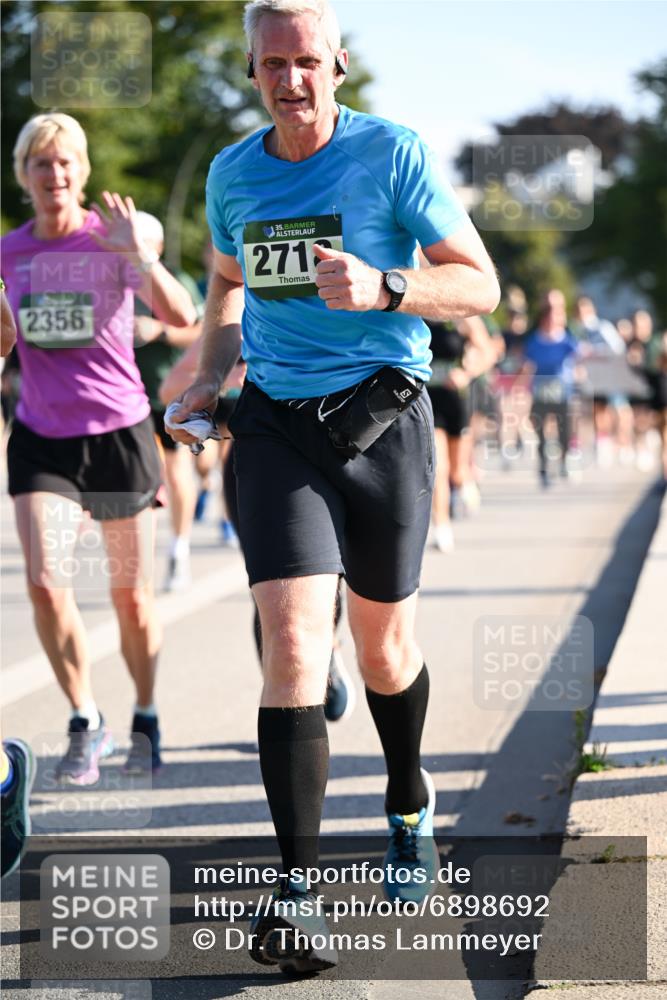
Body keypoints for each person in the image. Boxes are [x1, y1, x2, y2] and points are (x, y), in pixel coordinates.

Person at [168, 0, 499, 975]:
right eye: (272, 63)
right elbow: (227, 289)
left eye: (306, 59)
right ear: (254, 71)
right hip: (273, 424)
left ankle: (407, 798)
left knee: (385, 648)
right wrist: (202, 376)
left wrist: (388, 286)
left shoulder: (391, 154)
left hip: (382, 422)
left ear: (337, 65)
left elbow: (475, 283)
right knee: (293, 646)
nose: (290, 79)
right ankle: (297, 891)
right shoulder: (234, 174)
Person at [1, 113, 197, 784]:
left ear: (82, 173)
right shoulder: (9, 253)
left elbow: (181, 317)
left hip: (117, 434)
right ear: (23, 176)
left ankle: (144, 711)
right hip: (42, 440)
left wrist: (138, 258)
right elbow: (5, 335)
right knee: (47, 584)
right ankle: (85, 718)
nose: (53, 176)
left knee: (130, 599)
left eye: (64, 164)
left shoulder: (114, 238)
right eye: (40, 164)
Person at [132, 212, 205, 591]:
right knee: (138, 478)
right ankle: (134, 564)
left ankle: (179, 550)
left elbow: (201, 328)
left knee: (177, 472)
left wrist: (159, 330)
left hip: (169, 390)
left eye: (142, 242)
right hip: (127, 396)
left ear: (157, 247)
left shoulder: (177, 280)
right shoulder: (116, 280)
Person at [520, 290, 582, 487]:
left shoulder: (568, 337)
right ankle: (544, 469)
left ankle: (564, 461)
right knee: (540, 432)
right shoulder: (533, 339)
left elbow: (579, 360)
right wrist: (520, 386)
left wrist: (580, 376)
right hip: (540, 392)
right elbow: (526, 365)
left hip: (563, 390)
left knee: (564, 430)